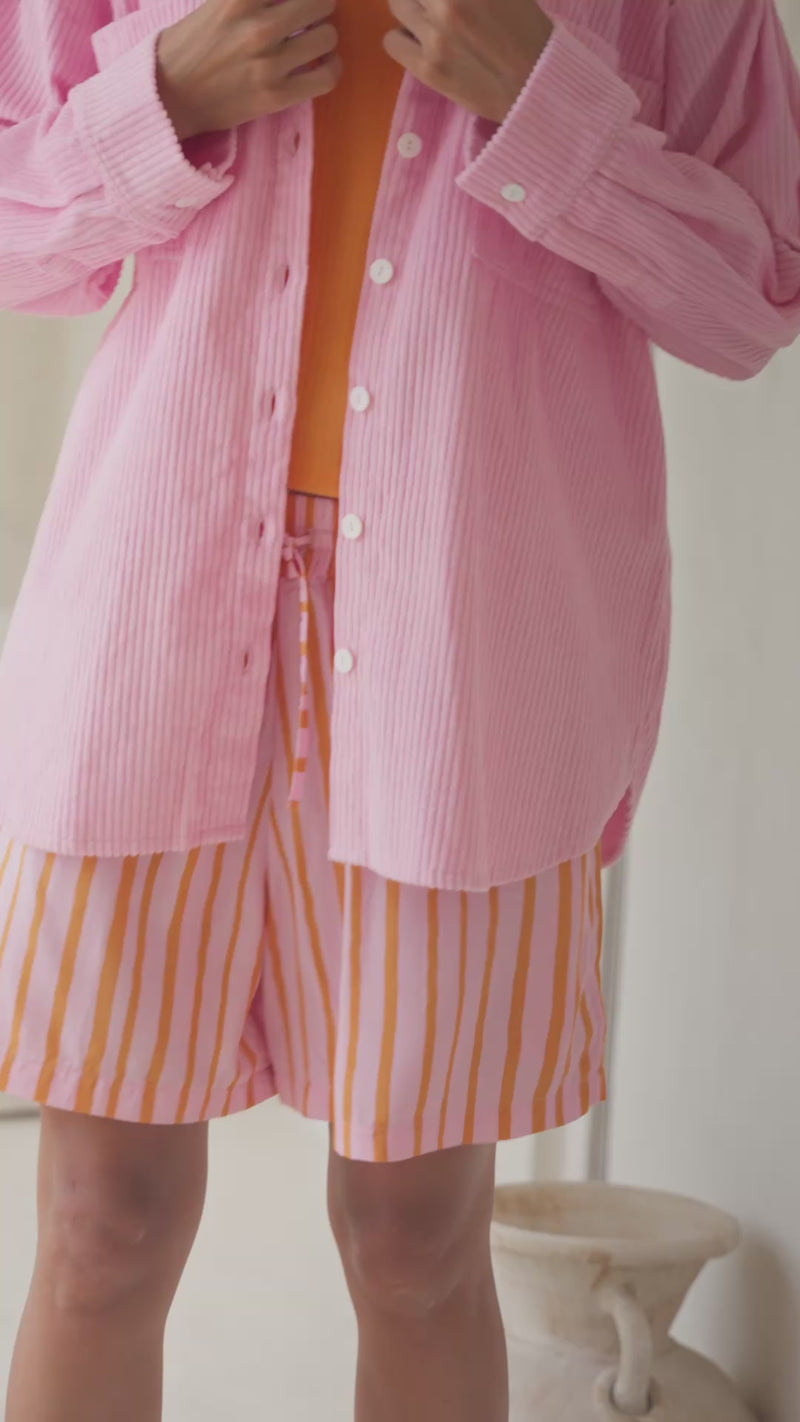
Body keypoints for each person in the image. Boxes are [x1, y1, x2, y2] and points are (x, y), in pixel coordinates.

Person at [0, 0, 799, 1418]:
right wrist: (158, 100)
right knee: (99, 1227)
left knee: (417, 1244)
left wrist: (552, 107)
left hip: (469, 657)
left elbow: (755, 295)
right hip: (150, 625)